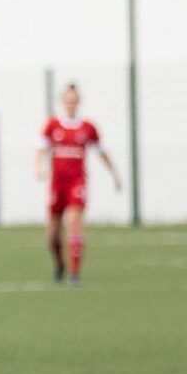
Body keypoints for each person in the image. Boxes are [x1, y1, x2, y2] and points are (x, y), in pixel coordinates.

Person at [35, 82, 122, 285]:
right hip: (57, 185)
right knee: (52, 234)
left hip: (77, 182)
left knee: (74, 221)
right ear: (62, 101)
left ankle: (75, 272)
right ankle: (59, 264)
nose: (71, 104)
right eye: (68, 100)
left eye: (74, 100)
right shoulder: (53, 125)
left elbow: (102, 152)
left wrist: (115, 175)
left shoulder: (88, 127)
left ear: (79, 101)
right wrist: (38, 167)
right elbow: (40, 148)